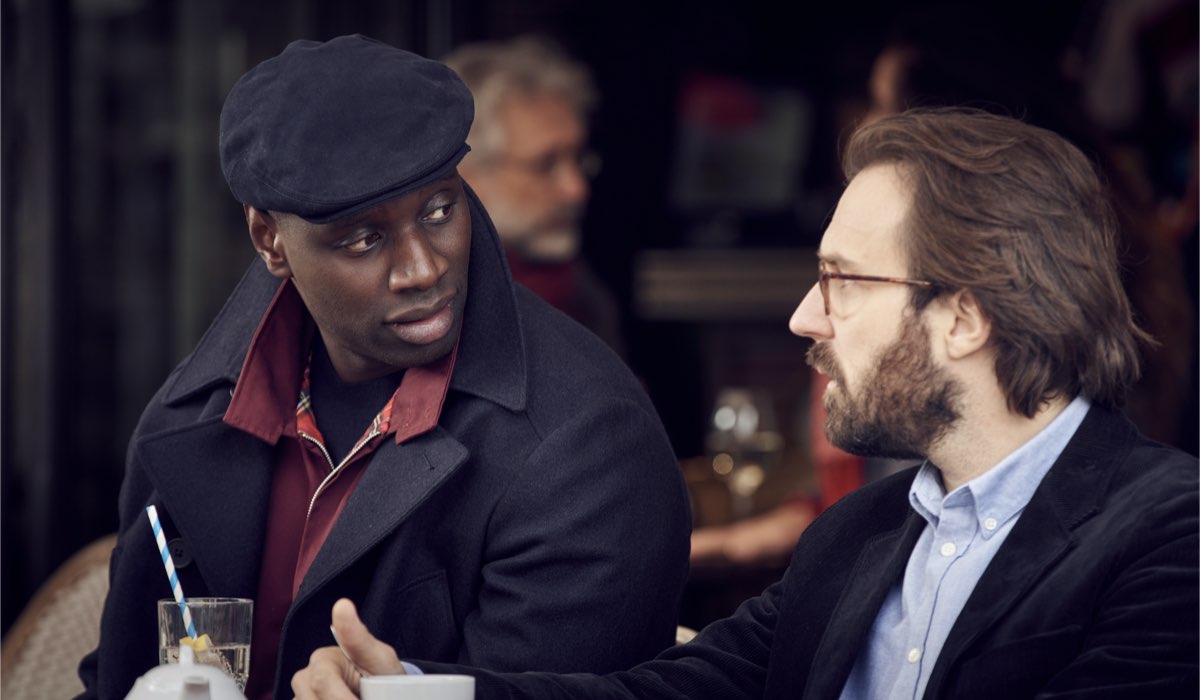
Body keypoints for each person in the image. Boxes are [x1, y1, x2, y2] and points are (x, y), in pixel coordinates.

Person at [292, 108, 1199, 699]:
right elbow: (673, 694)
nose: (806, 318)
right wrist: (406, 690)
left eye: (842, 281)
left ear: (963, 316)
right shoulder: (863, 535)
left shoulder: (1170, 537)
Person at [76, 34, 691, 700]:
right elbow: (121, 678)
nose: (423, 269)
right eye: (363, 238)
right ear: (269, 241)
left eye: (439, 210)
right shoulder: (190, 413)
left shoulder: (589, 447)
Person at [443, 36, 624, 355]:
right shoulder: (428, 305)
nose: (576, 189)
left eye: (579, 159)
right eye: (545, 165)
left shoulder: (585, 295)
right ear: (468, 173)